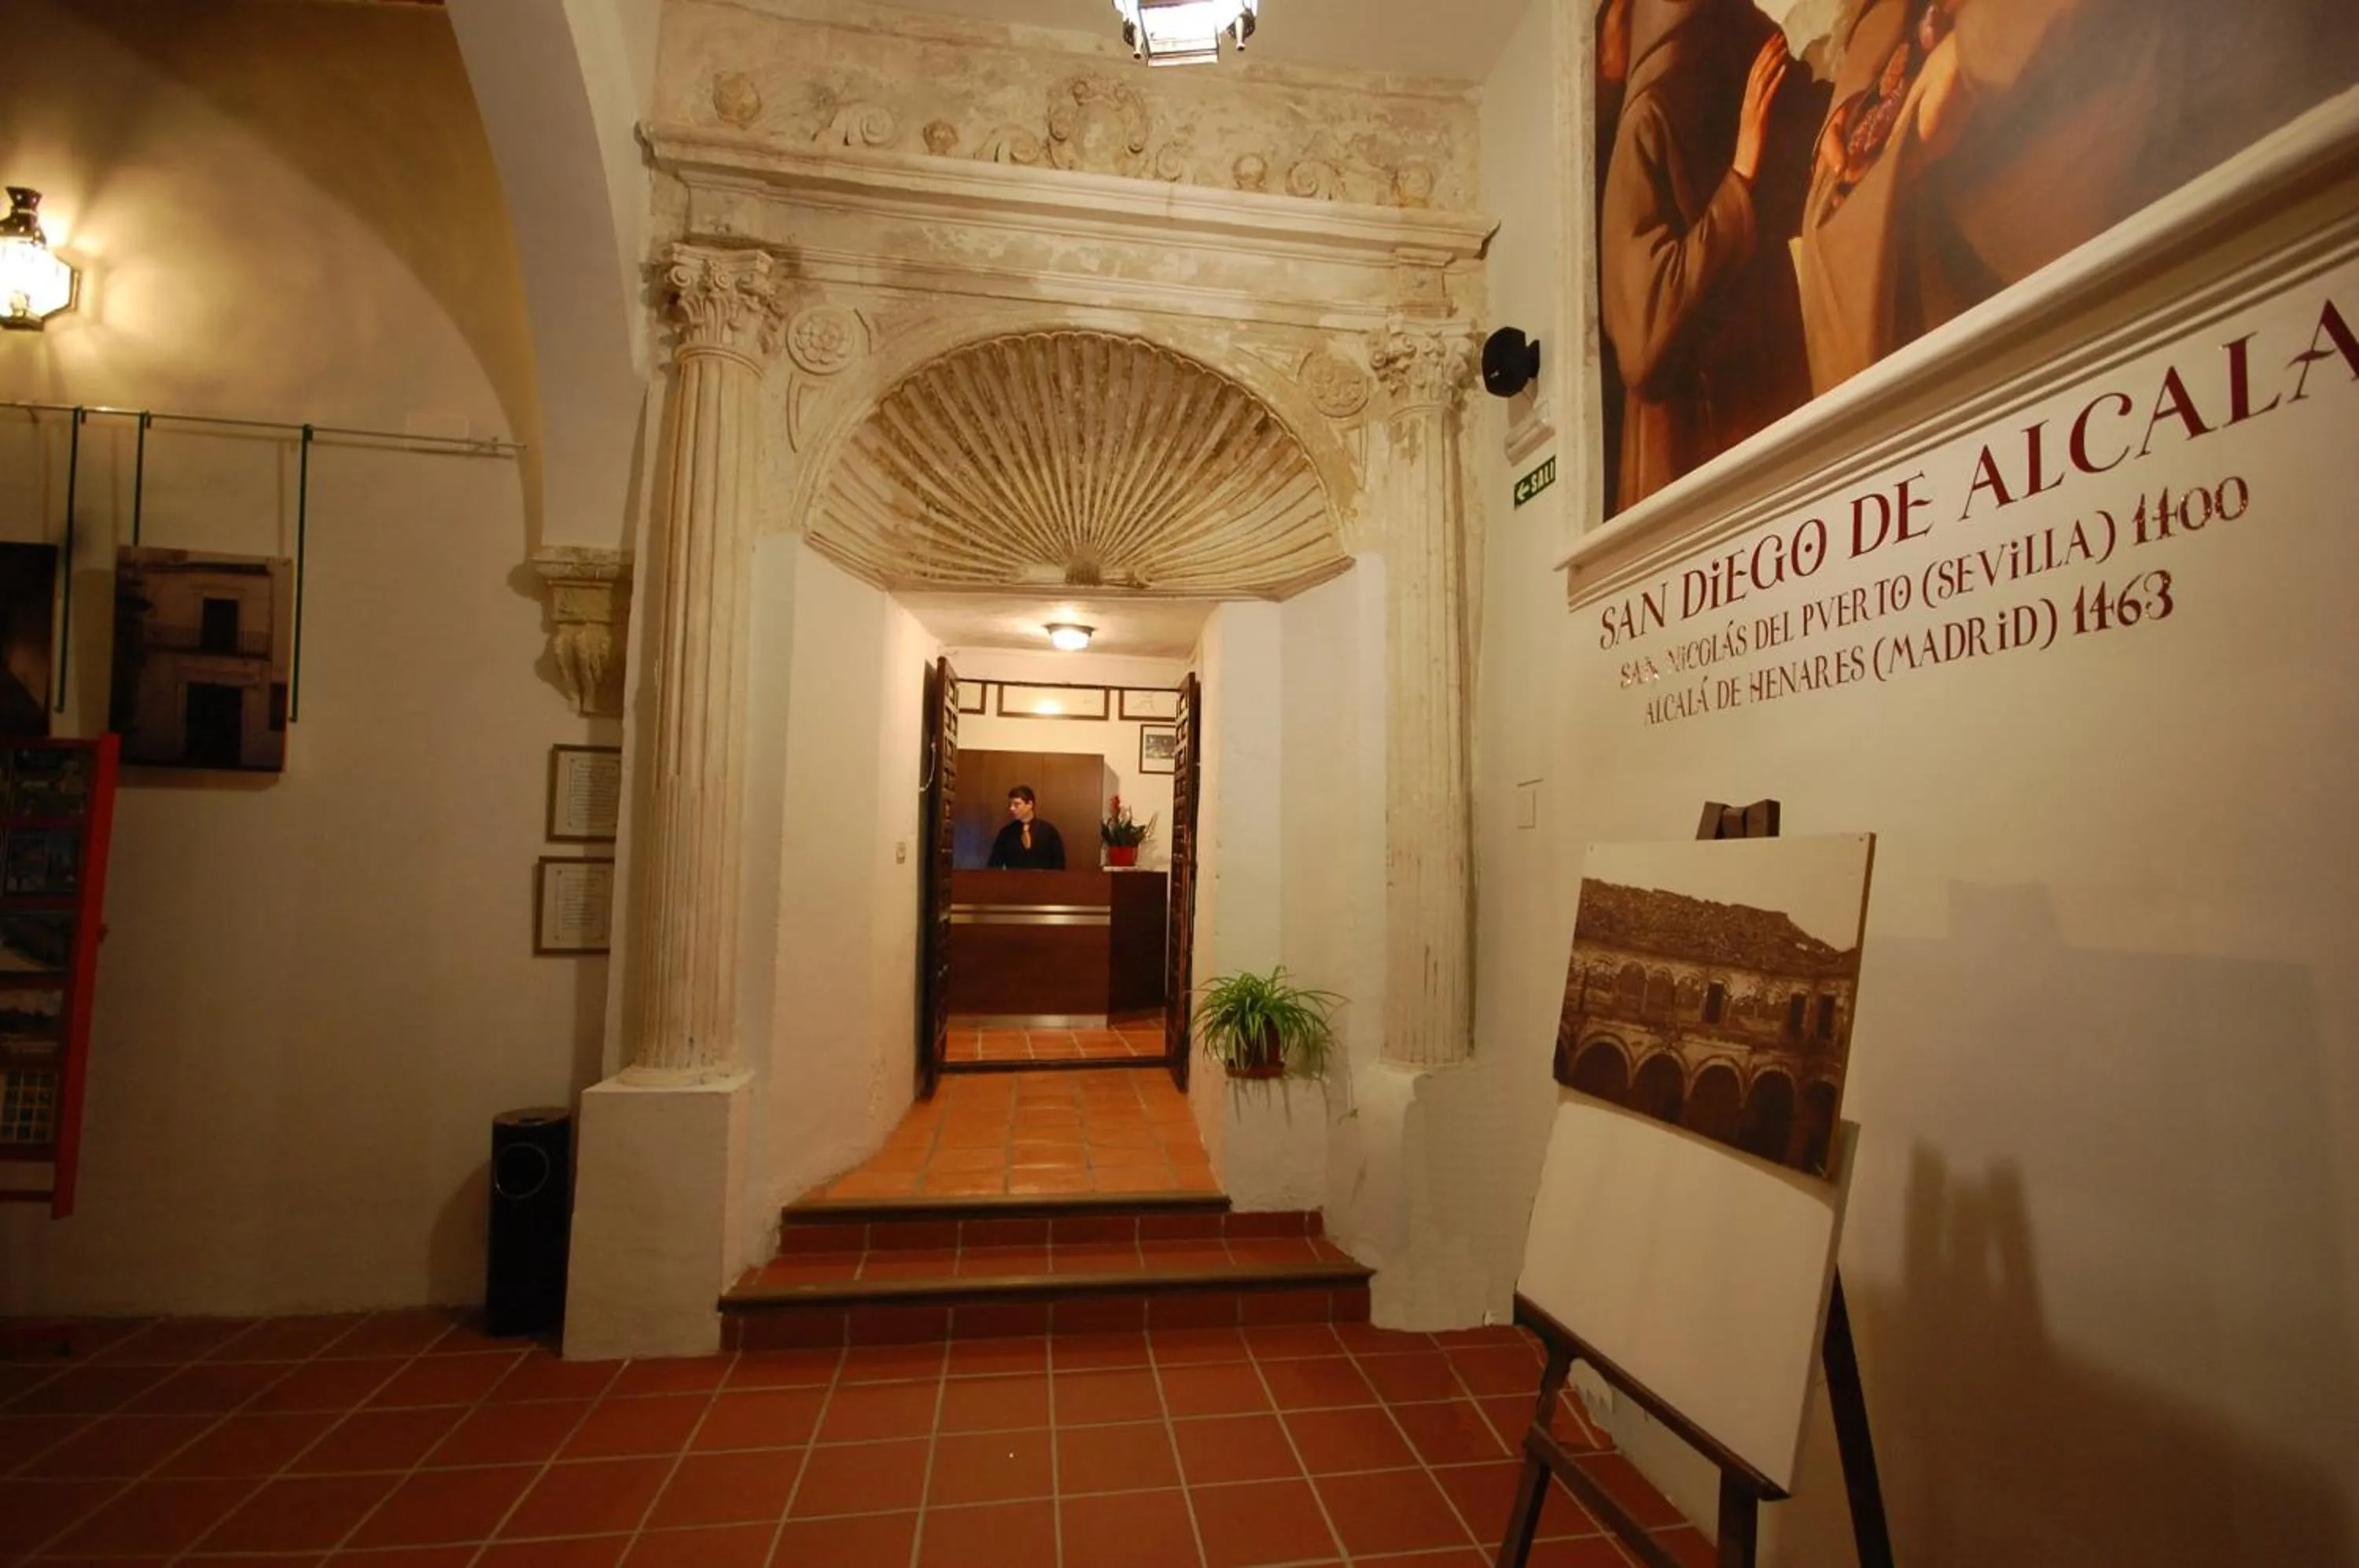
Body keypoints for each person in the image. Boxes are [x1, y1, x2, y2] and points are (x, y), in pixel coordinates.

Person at [1598, 0, 1828, 506]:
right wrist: (1740, 179)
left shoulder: (1737, 78)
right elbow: (1644, 340)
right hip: (1689, 453)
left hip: (1764, 429)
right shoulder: (1651, 120)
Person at [988, 785, 1065, 870]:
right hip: (1013, 881)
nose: (1012, 808)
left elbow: (1059, 865)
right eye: (1010, 804)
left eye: (1016, 804)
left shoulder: (1048, 832)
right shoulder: (1006, 833)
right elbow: (994, 865)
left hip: (1043, 881)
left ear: (1030, 804)